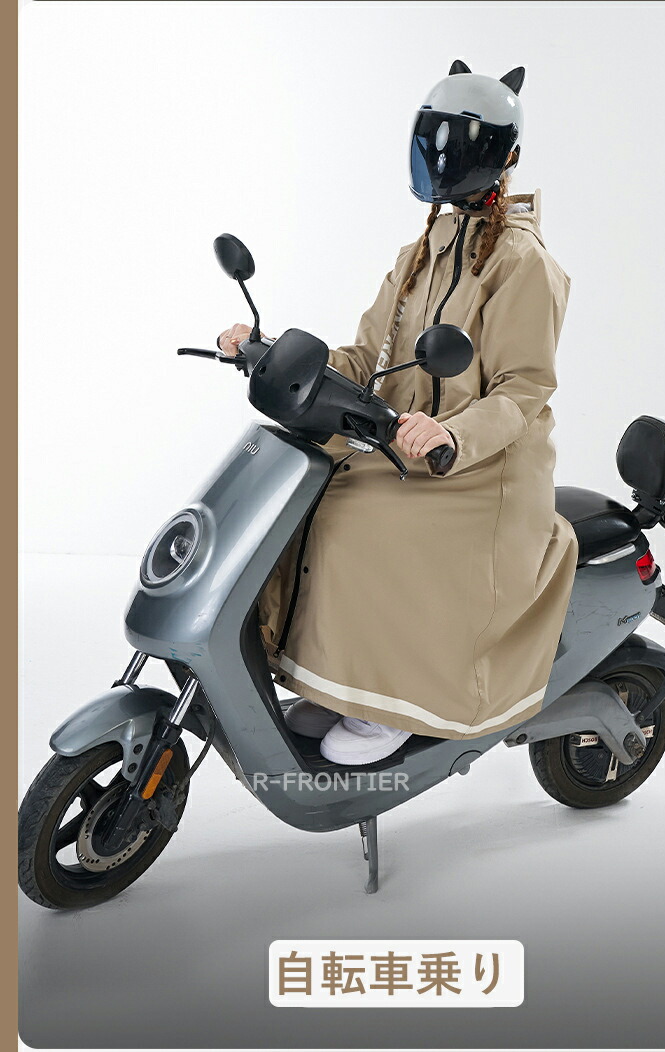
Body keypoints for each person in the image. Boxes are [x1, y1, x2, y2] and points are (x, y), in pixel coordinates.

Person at [219, 60, 578, 765]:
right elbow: (364, 356)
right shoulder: (422, 253)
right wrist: (265, 351)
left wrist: (451, 432)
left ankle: (392, 706)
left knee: (363, 524)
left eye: (461, 145)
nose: (443, 159)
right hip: (400, 447)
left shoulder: (523, 262)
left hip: (483, 469)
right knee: (313, 499)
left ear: (500, 158)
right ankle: (341, 683)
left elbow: (524, 388)